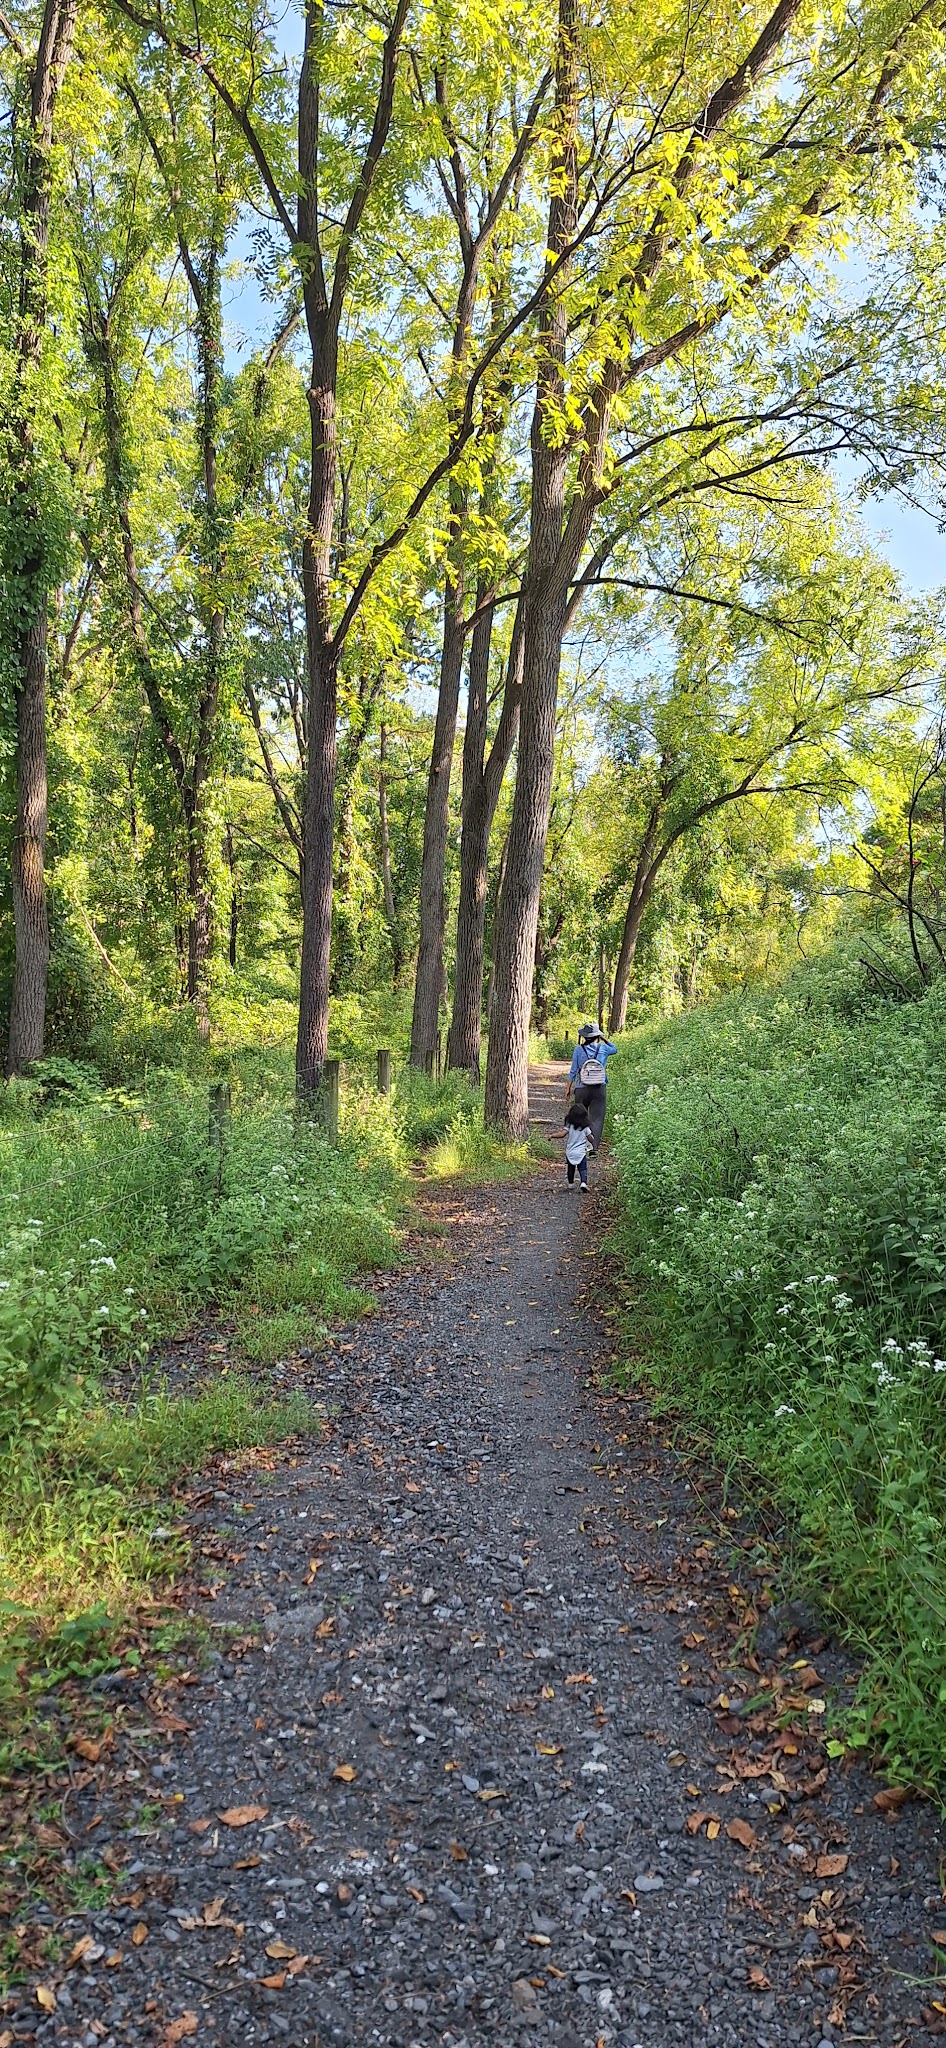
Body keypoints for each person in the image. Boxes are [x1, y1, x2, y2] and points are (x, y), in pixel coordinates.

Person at [565, 1022, 617, 1150]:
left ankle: (578, 1144)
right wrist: (603, 1038)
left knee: (579, 1116)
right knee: (597, 1119)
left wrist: (568, 1088)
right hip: (599, 1088)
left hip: (581, 1088)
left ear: (584, 1036)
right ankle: (592, 1148)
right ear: (597, 1036)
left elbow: (573, 1071)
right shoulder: (603, 1048)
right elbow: (614, 1048)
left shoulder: (578, 1049)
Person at [549, 1099, 595, 1191]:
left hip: (570, 1151)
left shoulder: (569, 1125)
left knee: (571, 1168)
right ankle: (583, 1182)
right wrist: (592, 1140)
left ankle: (571, 1183)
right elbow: (591, 1138)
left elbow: (562, 1134)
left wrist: (552, 1135)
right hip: (581, 1152)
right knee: (582, 1169)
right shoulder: (585, 1127)